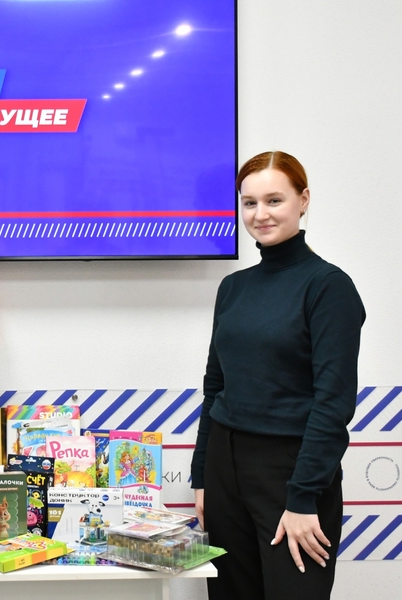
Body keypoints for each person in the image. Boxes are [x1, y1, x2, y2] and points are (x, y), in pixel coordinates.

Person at [191, 151, 365, 599]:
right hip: (225, 465)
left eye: (274, 200)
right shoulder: (234, 287)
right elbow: (215, 388)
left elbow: (333, 402)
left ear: (303, 200)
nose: (260, 214)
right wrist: (202, 477)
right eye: (249, 203)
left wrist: (303, 496)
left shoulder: (328, 286)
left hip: (291, 471)